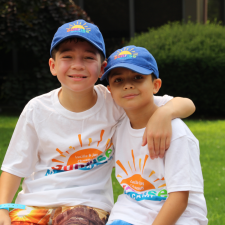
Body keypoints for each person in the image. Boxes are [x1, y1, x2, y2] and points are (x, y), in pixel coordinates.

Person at [0, 20, 195, 225]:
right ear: (53, 66)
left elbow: (186, 104)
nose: (77, 65)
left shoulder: (115, 101)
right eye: (67, 56)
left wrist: (164, 114)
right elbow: (14, 167)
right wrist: (3, 208)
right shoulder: (37, 109)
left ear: (102, 69)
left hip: (88, 206)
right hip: (34, 205)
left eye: (88, 57)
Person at [101, 45, 208, 225]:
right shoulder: (117, 127)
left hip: (182, 215)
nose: (128, 85)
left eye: (138, 77)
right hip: (133, 209)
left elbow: (179, 199)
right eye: (118, 80)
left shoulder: (177, 133)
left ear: (155, 85)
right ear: (110, 91)